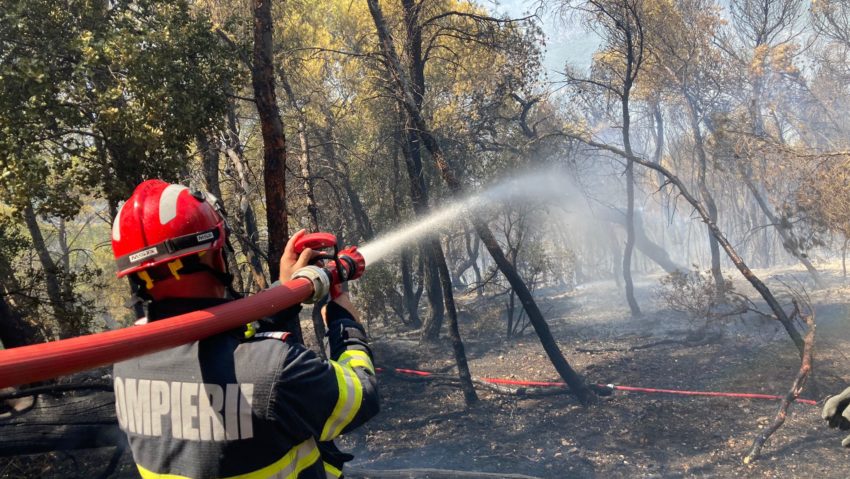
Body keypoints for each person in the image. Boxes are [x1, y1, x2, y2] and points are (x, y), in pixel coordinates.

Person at [110, 179, 379, 478]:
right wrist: (345, 324)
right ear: (215, 257)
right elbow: (362, 395)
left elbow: (223, 348)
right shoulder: (275, 370)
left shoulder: (126, 364)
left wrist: (283, 294)